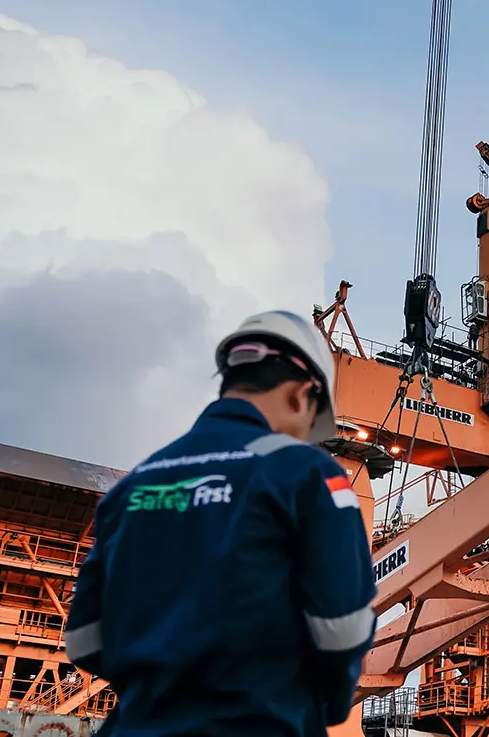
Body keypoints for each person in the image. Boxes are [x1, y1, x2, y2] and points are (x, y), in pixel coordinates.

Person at [65, 310, 376, 736]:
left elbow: (83, 637)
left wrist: (155, 684)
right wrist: (325, 703)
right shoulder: (307, 473)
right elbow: (342, 623)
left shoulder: (133, 486)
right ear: (302, 395)